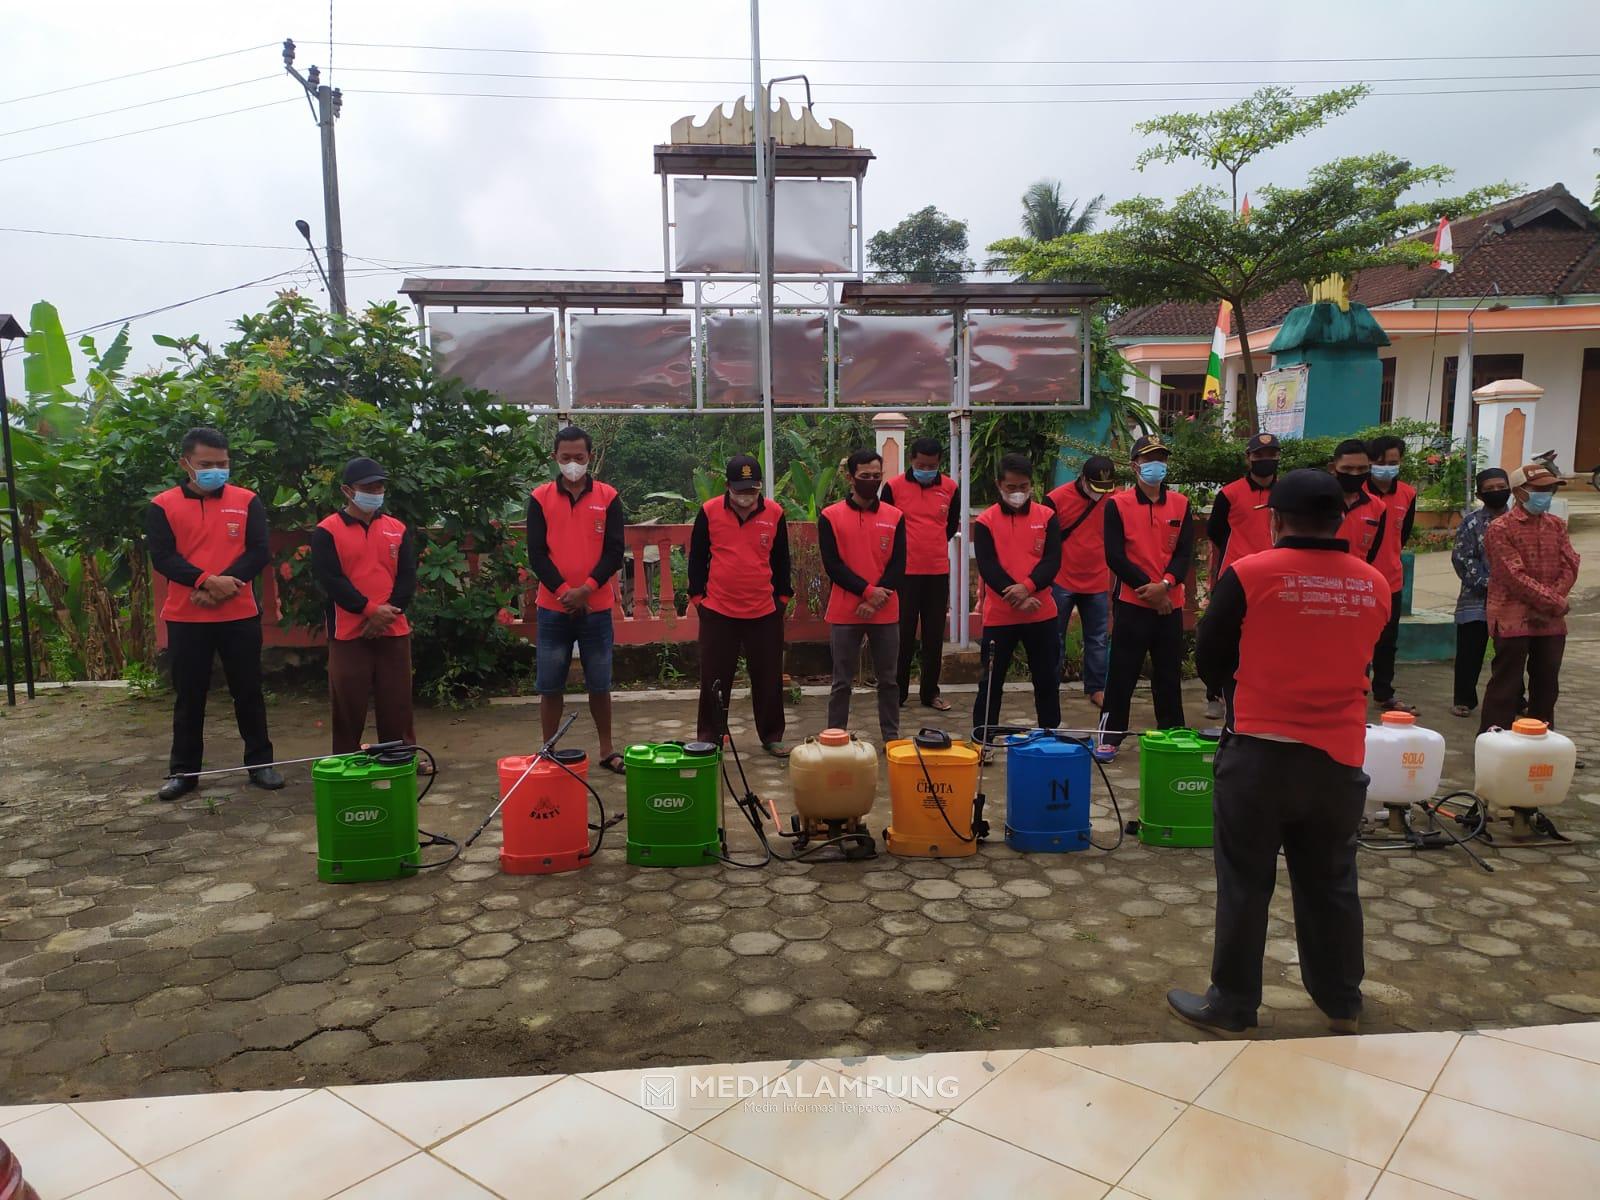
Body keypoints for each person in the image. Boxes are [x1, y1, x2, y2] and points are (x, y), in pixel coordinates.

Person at [1168, 469, 1391, 1037]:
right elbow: (1367, 652)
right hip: (1339, 759)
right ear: (1340, 517)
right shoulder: (1372, 583)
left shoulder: (1250, 573)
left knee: (1245, 883)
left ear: (1275, 518)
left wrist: (1236, 688)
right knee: (1331, 881)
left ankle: (1235, 1005)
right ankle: (1342, 1002)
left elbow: (1210, 655)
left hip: (1260, 755)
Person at [145, 427, 281, 801]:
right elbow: (164, 558)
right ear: (185, 464)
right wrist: (206, 581)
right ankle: (184, 772)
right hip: (187, 618)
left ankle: (260, 764)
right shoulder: (163, 505)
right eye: (206, 464)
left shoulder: (247, 500)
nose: (216, 471)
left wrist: (226, 585)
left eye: (222, 464)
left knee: (249, 690)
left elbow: (258, 551)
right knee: (189, 696)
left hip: (238, 614)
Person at [527, 426, 626, 773]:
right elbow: (537, 554)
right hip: (553, 607)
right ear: (555, 457)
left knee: (600, 682)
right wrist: (564, 593)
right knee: (550, 683)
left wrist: (586, 588)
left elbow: (615, 551)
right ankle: (548, 747)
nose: (572, 464)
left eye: (579, 458)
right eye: (566, 457)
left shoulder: (609, 496)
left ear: (590, 457)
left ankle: (607, 749)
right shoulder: (540, 498)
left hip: (596, 607)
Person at [310, 457, 418, 755]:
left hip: (393, 627)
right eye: (367, 486)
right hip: (348, 630)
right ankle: (346, 758)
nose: (375, 491)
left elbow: (407, 577)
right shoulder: (327, 531)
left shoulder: (397, 529)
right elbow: (331, 580)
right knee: (348, 700)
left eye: (379, 485)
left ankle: (400, 755)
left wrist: (388, 612)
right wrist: (369, 611)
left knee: (396, 698)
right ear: (347, 490)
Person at [688, 455, 793, 757]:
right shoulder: (709, 512)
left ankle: (772, 735)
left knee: (768, 676)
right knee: (715, 676)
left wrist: (782, 599)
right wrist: (699, 599)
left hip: (764, 611)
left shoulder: (774, 513)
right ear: (727, 487)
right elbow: (696, 559)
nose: (746, 496)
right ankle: (711, 735)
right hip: (719, 610)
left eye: (752, 490)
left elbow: (782, 560)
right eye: (740, 490)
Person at [1098, 433, 1193, 761]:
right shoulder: (1117, 504)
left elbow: (1183, 554)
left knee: (1168, 673)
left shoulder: (1181, 503)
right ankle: (1110, 735)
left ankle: (1172, 733)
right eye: (1149, 459)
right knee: (1122, 671)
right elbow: (1115, 556)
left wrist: (1165, 585)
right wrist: (1150, 590)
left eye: (1162, 459)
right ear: (1134, 465)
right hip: (1133, 602)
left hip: (1170, 603)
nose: (1157, 465)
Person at [1480, 462, 1581, 733]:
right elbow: (1512, 575)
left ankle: (1541, 737)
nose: (1545, 495)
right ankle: (1493, 739)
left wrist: (1554, 599)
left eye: (1549, 489)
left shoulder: (1557, 525)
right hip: (1512, 615)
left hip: (1550, 619)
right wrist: (1553, 601)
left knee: (1547, 683)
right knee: (1507, 683)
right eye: (1539, 489)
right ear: (1520, 492)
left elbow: (1570, 563)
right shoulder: (1500, 528)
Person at [819, 450, 906, 744]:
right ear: (850, 477)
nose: (871, 481)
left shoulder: (895, 516)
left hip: (886, 610)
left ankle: (891, 738)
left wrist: (878, 598)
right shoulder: (830, 516)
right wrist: (868, 593)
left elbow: (898, 563)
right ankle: (835, 737)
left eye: (876, 476)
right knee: (841, 682)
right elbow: (833, 566)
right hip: (846, 611)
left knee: (889, 681)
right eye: (865, 476)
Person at [973, 454, 1063, 736]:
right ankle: (984, 736)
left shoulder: (1047, 517)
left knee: (1046, 677)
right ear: (999, 484)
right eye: (1011, 487)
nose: (1018, 493)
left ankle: (1049, 733)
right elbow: (988, 565)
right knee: (991, 679)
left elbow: (1052, 561)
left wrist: (1027, 587)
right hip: (1000, 617)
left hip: (1041, 612)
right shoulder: (986, 521)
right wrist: (1019, 596)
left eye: (1023, 486)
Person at [1203, 433, 1281, 720]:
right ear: (1249, 458)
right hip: (1233, 576)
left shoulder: (1284, 492)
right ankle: (1214, 693)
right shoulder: (1230, 493)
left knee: (1265, 639)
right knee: (1224, 637)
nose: (1265, 460)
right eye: (1259, 455)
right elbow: (1215, 531)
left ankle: (1259, 693)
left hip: (1274, 577)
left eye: (1271, 454)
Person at [882, 437, 959, 712]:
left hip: (937, 571)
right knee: (902, 635)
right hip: (904, 573)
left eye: (932, 465)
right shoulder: (893, 487)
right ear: (911, 461)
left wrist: (932, 544)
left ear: (940, 463)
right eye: (921, 464)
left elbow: (950, 526)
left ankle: (930, 693)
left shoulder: (950, 487)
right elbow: (886, 525)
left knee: (933, 636)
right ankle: (898, 693)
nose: (926, 469)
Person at [1042, 454, 1116, 707]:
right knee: (1054, 638)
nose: (1100, 494)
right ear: (1083, 479)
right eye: (1096, 488)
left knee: (1097, 639)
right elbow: (1045, 542)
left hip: (1097, 580)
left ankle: (1097, 688)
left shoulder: (1112, 500)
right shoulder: (1055, 499)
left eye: (1105, 489)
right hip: (1061, 579)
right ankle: (1048, 688)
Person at [1450, 468, 1513, 718]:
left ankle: (1515, 699)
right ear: (1479, 493)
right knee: (1470, 651)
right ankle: (1464, 699)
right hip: (1475, 599)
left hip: (1512, 601)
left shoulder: (1519, 520)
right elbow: (1462, 557)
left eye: (1501, 487)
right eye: (1490, 489)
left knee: (1510, 652)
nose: (1496, 492)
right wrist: (1488, 583)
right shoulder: (1472, 522)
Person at [1365, 434, 1419, 715]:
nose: (1386, 467)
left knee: (1387, 642)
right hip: (1359, 581)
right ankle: (1353, 688)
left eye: (1393, 462)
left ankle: (1383, 693)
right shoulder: (1356, 491)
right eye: (1380, 462)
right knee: (1356, 639)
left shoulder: (1407, 494)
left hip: (1391, 581)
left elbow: (1404, 533)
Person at [1331, 439, 1387, 567]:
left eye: (1362, 469)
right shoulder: (1316, 501)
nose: (1355, 474)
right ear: (1333, 468)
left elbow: (1372, 552)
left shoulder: (1378, 507)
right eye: (1347, 468)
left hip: (1357, 580)